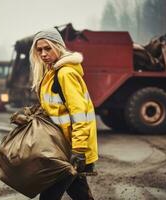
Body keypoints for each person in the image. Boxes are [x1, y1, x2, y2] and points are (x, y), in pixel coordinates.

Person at [29, 28, 98, 200]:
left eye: (48, 48)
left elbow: (79, 113)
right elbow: (55, 108)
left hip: (69, 149)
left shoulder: (65, 74)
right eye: (39, 50)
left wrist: (79, 150)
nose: (43, 54)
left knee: (49, 196)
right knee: (79, 192)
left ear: (58, 47)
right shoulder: (50, 73)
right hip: (61, 145)